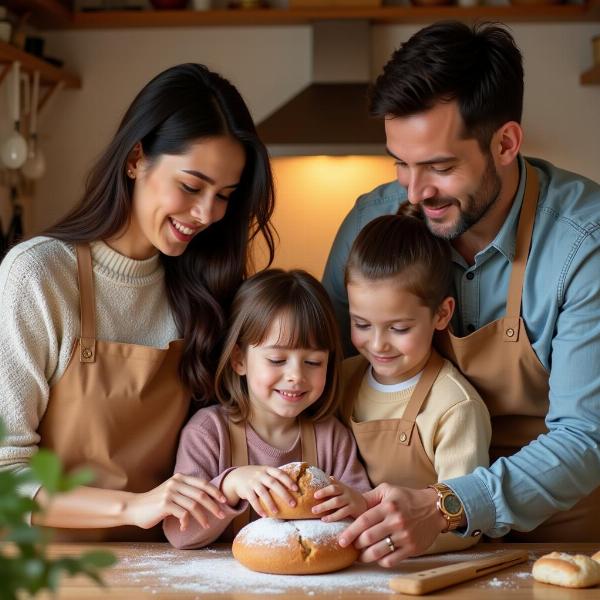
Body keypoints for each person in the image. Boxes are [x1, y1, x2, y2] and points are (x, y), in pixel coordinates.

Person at [321, 21, 600, 565]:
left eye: (440, 167)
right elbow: (319, 374)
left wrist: (445, 505)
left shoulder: (583, 244)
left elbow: (588, 437)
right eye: (400, 163)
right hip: (407, 553)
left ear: (506, 143)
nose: (416, 190)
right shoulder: (372, 223)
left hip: (564, 549)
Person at [0, 63, 276, 542]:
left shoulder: (206, 289)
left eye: (224, 196)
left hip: (169, 568)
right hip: (51, 572)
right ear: (135, 158)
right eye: (191, 187)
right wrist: (134, 506)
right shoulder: (39, 275)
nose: (207, 213)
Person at [163, 269, 371, 549]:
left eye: (313, 362)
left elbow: (363, 523)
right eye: (276, 359)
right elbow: (179, 533)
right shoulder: (207, 433)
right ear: (239, 360)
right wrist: (230, 485)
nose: (296, 375)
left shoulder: (332, 438)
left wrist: (355, 505)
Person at [339, 212, 491, 555]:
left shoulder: (455, 406)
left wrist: (401, 539)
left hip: (417, 565)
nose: (378, 344)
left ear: (441, 314)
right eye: (361, 324)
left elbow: (466, 524)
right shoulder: (340, 380)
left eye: (399, 328)